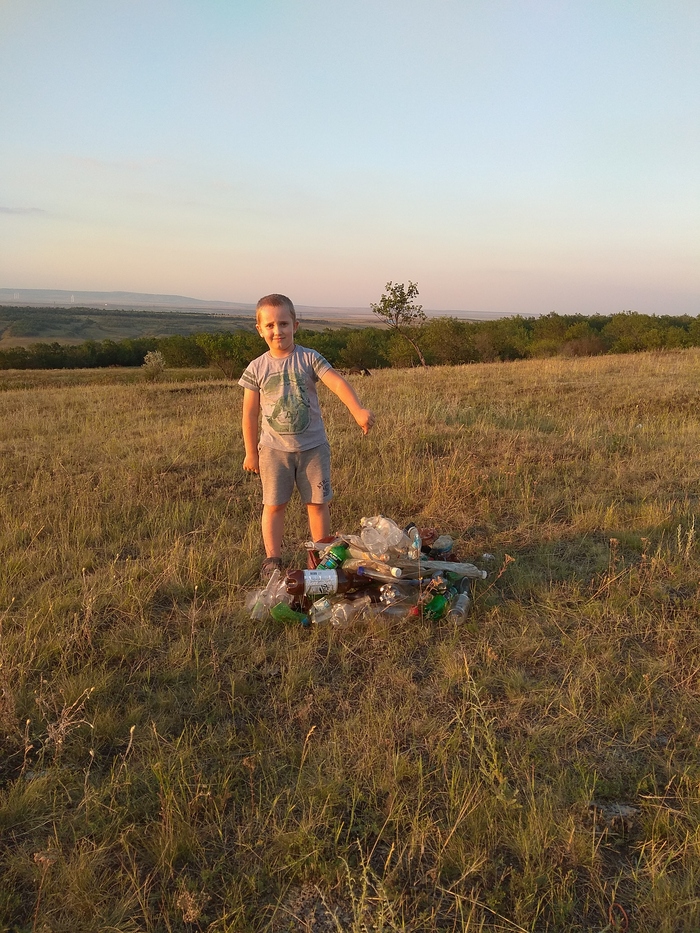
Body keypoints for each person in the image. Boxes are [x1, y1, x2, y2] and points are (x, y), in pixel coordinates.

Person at [239, 294, 375, 579]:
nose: (278, 331)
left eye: (284, 323)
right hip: (273, 451)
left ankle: (320, 556)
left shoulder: (309, 358)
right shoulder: (257, 368)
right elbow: (250, 413)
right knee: (274, 505)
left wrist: (358, 410)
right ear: (260, 329)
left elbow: (337, 383)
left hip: (313, 448)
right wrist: (251, 452)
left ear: (295, 325)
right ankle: (272, 558)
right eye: (270, 325)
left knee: (317, 504)